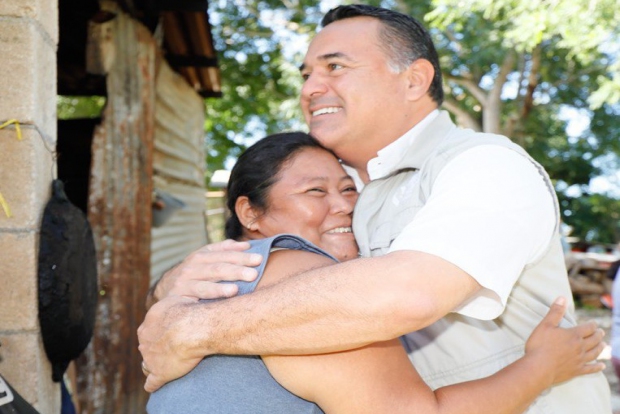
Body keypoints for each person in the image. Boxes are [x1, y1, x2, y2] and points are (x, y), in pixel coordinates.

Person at [138, 5, 612, 412]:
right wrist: (170, 285)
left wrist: (191, 327)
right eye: (307, 75)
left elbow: (408, 292)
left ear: (413, 80)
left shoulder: (482, 164)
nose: (310, 88)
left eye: (335, 67)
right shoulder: (365, 188)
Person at [146, 132, 604, 414]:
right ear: (249, 211)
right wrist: (541, 368)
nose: (344, 203)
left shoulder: (214, 281)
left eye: (348, 188)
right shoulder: (297, 274)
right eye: (315, 190)